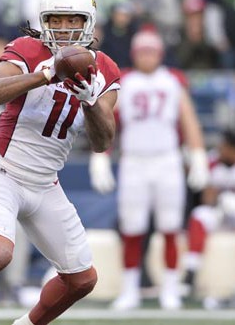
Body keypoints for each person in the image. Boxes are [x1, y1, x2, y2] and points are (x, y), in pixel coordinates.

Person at [0, 0, 120, 325]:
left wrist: (90, 102)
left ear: (88, 22)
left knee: (82, 279)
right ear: (44, 21)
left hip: (46, 183)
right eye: (56, 20)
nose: (64, 29)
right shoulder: (28, 50)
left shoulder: (104, 69)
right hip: (3, 170)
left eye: (73, 20)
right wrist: (44, 75)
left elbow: (102, 142)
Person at [89, 29, 209, 310]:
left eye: (151, 51)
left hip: (167, 160)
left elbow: (188, 118)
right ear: (134, 53)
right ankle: (130, 288)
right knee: (132, 228)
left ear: (160, 53)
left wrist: (198, 153)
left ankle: (170, 288)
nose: (146, 57)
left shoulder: (172, 81)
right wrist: (102, 155)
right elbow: (108, 121)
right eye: (142, 51)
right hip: (134, 161)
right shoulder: (125, 81)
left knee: (170, 227)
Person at [183, 130, 235, 309]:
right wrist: (218, 197)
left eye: (225, 146)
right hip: (219, 212)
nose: (221, 149)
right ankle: (190, 271)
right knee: (200, 215)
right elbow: (207, 197)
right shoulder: (212, 160)